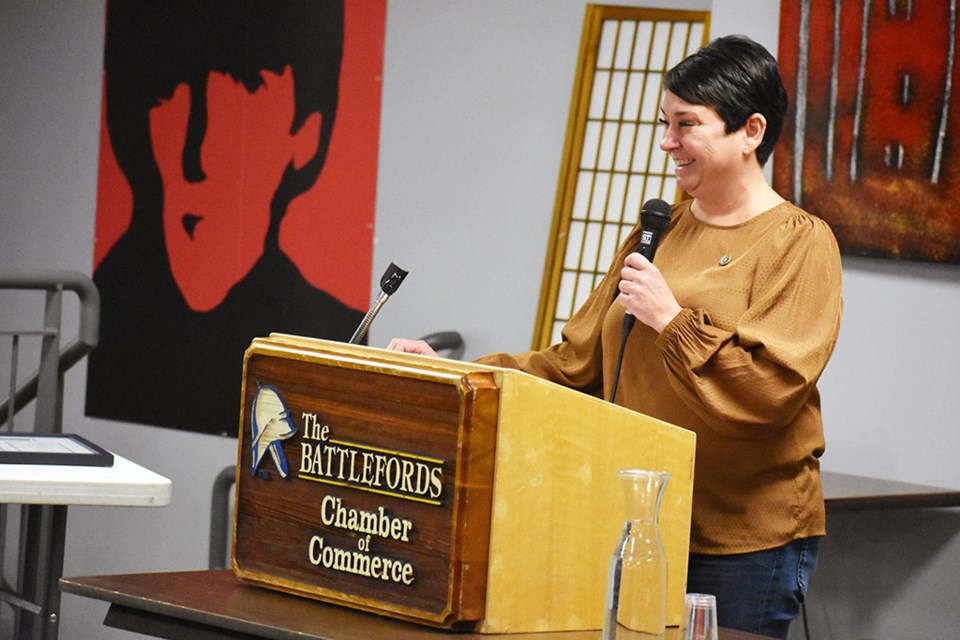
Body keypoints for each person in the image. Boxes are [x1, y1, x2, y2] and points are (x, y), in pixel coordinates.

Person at [388, 35, 842, 639]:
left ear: (751, 131)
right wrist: (460, 372)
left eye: (686, 125)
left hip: (741, 541)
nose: (667, 143)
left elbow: (769, 392)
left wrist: (671, 319)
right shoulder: (658, 231)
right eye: (665, 122)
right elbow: (574, 364)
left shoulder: (799, 242)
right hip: (641, 521)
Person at [86, 1, 364, 436]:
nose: (196, 158)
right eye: (170, 93)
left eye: (246, 93)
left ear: (305, 137)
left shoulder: (339, 337)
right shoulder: (97, 315)